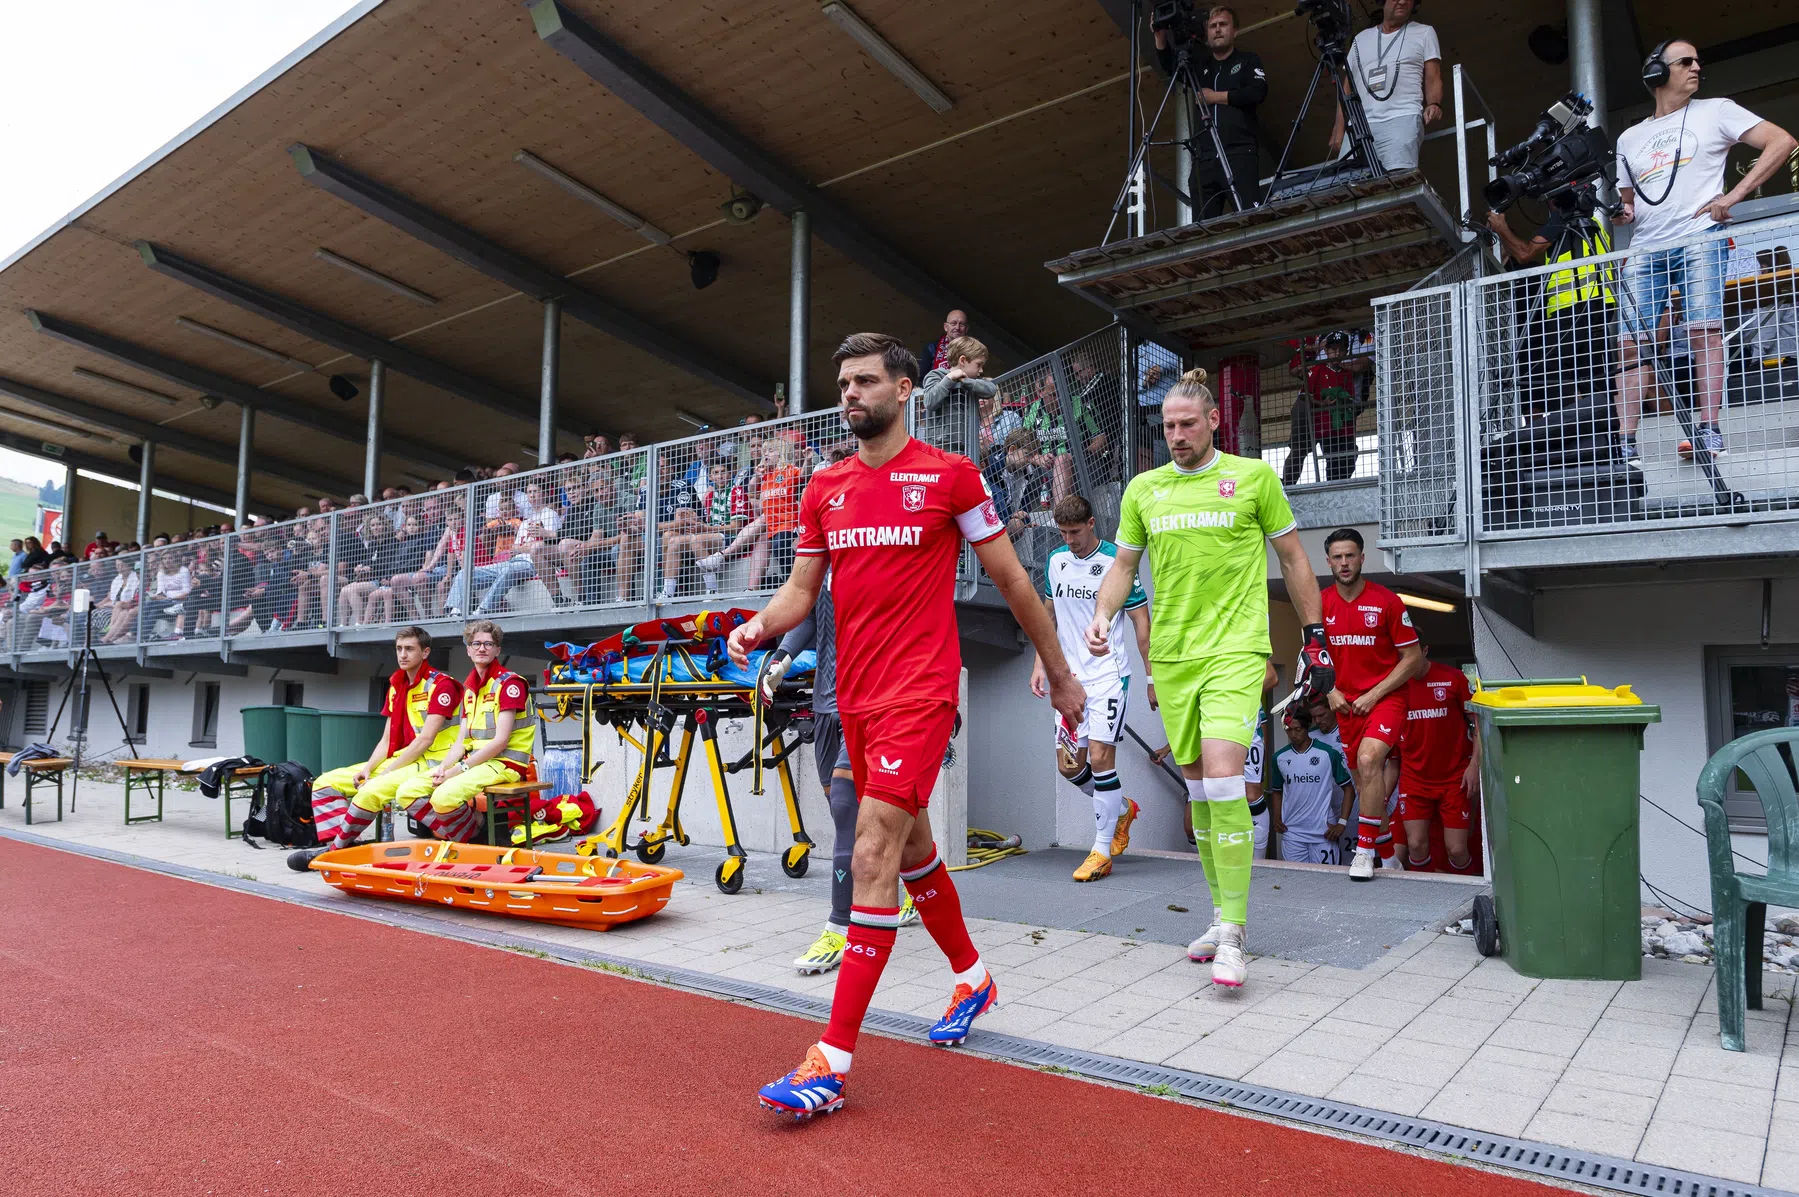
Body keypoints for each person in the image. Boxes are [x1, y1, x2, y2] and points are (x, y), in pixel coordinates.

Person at [733, 331, 1084, 1120]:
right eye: (843, 382)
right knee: (915, 848)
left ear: (904, 389)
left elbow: (1011, 579)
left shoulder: (950, 477)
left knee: (869, 851)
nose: (849, 394)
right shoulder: (825, 487)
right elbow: (798, 592)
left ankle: (830, 1059)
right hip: (847, 697)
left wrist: (1059, 672)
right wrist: (756, 627)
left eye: (863, 380)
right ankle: (972, 976)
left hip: (918, 694)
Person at [1085, 367, 1330, 988]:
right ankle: (1221, 916)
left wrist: (1314, 636)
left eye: (1187, 424)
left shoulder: (1252, 479)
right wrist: (1102, 615)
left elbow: (1296, 560)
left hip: (1236, 652)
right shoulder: (1144, 490)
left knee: (1226, 781)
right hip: (1172, 658)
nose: (1176, 435)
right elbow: (1122, 567)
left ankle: (1236, 936)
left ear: (1213, 421)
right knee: (1198, 794)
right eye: (1167, 426)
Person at [1614, 39, 1796, 465]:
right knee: (1631, 343)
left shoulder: (1717, 110)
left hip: (1700, 237)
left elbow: (1782, 141)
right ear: (1657, 74)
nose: (1696, 67)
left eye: (1698, 60)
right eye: (1685, 61)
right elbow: (1629, 202)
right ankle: (1624, 445)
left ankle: (1709, 431)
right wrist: (1622, 213)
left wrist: (1733, 196)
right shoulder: (1628, 137)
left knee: (1705, 331)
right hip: (1646, 247)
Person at [773, 586, 919, 977]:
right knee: (871, 819)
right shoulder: (822, 552)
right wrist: (784, 656)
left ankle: (840, 928)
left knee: (845, 807)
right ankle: (903, 890)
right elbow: (807, 614)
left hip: (870, 702)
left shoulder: (877, 544)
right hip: (825, 702)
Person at [1029, 494, 1154, 882]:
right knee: (1070, 767)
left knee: (1101, 760)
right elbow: (1047, 615)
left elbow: (1141, 624)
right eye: (1063, 532)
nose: (1070, 540)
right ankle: (1121, 809)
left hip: (1108, 677)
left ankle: (1100, 851)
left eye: (1075, 532)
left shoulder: (1115, 562)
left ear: (1091, 524)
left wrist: (1151, 678)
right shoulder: (1056, 561)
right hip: (1069, 682)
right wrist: (1040, 664)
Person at [287, 627, 463, 868]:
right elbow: (386, 737)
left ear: (425, 652)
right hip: (404, 758)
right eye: (399, 649)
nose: (403, 655)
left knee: (369, 792)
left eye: (410, 649)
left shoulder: (443, 685)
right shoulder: (397, 685)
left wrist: (383, 774)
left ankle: (332, 853)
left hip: (435, 761)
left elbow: (425, 740)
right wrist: (369, 769)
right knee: (324, 784)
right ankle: (345, 846)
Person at [1320, 526, 1423, 881]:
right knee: (1365, 783)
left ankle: (1363, 853)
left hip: (1385, 700)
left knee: (1369, 760)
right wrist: (1329, 690)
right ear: (1329, 562)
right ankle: (1388, 853)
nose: (1345, 562)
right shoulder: (1320, 604)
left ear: (1363, 558)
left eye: (1351, 555)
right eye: (1338, 557)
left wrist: (1375, 694)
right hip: (1344, 706)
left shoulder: (1387, 601)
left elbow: (1411, 659)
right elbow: (1311, 656)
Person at [385, 620, 536, 844]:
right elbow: (460, 741)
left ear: (497, 650)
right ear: (468, 650)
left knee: (444, 797)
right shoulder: (469, 689)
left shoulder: (510, 684)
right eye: (476, 643)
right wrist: (444, 768)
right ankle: (476, 832)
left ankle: (470, 840)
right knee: (406, 792)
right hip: (475, 762)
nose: (482, 648)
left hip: (505, 763)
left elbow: (501, 742)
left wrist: (458, 770)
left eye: (488, 644)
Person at [1156, 5, 1266, 217]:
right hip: (1204, 160)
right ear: (1206, 33)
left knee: (1251, 220)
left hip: (1239, 153)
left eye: (1223, 25)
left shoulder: (1247, 60)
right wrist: (1160, 38)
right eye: (1213, 26)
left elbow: (1258, 92)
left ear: (1235, 31)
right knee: (1202, 228)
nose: (1217, 29)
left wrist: (1216, 97)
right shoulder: (1199, 66)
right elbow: (1172, 67)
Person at [1331, 0, 1441, 173]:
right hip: (1359, 126)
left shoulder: (1424, 32)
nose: (1403, 1)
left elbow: (1433, 76)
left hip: (1402, 118)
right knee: (1347, 183)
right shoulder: (1360, 39)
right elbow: (1347, 88)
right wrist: (1339, 128)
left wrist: (1434, 103)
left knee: (1398, 181)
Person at [1397, 651, 1480, 873]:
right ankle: (1423, 903)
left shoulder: (1453, 678)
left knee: (1456, 849)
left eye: (1409, 653)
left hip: (1453, 777)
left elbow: (1478, 723)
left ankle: (1470, 900)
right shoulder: (1395, 684)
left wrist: (1474, 766)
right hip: (1414, 778)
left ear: (1423, 650)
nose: (1405, 660)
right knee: (1415, 844)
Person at [1267, 708, 1354, 865]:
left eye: (1298, 729)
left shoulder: (1328, 753)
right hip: (1292, 833)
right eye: (1289, 730)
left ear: (1307, 727)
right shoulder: (1279, 758)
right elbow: (1277, 791)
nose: (1293, 735)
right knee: (1295, 881)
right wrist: (1277, 817)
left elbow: (1349, 789)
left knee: (1328, 882)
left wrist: (1342, 823)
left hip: (1324, 834)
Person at [1285, 331, 1371, 485]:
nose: (1337, 353)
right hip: (1315, 418)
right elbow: (1305, 393)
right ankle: (1287, 483)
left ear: (1346, 351)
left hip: (1335, 423)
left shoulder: (1349, 369)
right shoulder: (1317, 368)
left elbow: (1352, 395)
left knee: (1340, 454)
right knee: (1299, 450)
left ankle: (1336, 484)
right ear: (1326, 351)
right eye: (1333, 349)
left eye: (1341, 349)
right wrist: (1321, 403)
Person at [918, 336, 998, 457]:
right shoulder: (936, 375)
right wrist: (949, 379)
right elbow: (930, 401)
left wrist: (965, 381)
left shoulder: (973, 380)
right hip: (940, 446)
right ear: (962, 360)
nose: (981, 370)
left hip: (968, 444)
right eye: (978, 365)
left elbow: (991, 389)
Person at [920, 309, 969, 374]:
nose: (957, 327)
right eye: (953, 323)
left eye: (962, 324)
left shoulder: (973, 349)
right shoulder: (931, 348)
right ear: (946, 327)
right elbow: (921, 378)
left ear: (967, 328)